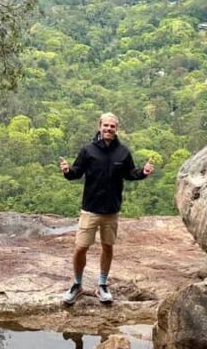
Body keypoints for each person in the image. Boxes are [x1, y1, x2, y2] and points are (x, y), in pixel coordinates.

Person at [59, 112, 153, 305]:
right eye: (106, 126)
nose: (109, 129)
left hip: (111, 210)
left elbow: (130, 174)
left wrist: (143, 172)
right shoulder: (88, 150)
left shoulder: (123, 152)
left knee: (107, 247)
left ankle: (102, 285)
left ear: (116, 129)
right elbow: (77, 173)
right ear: (99, 127)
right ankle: (77, 284)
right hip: (90, 209)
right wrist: (67, 171)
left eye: (112, 126)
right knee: (80, 248)